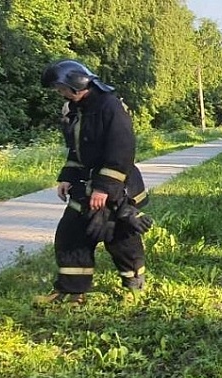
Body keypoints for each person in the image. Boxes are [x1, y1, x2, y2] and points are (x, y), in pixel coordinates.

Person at [36, 59, 152, 305]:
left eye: (61, 89)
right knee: (71, 235)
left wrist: (103, 187)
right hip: (85, 187)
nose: (60, 94)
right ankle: (71, 291)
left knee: (120, 239)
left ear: (76, 85)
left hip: (117, 189)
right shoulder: (78, 110)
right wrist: (67, 177)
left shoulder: (109, 107)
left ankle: (135, 286)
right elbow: (77, 150)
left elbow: (122, 150)